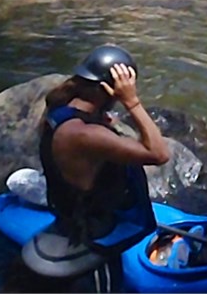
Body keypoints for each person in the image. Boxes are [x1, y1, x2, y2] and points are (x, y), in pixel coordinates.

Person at [29, 44, 170, 288]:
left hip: (67, 212)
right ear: (109, 89)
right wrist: (132, 102)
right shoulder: (87, 134)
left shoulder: (59, 110)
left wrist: (103, 120)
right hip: (92, 230)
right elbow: (159, 154)